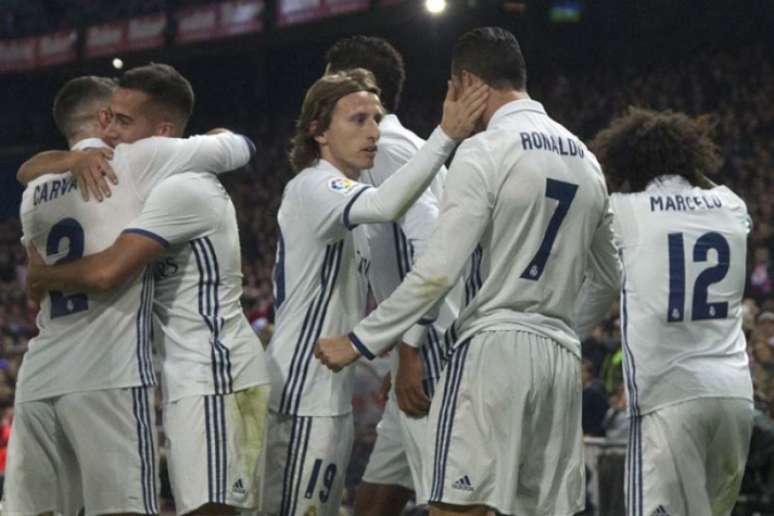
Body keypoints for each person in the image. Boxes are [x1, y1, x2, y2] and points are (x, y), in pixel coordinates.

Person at [315, 27, 619, 516]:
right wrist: (564, 332)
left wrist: (362, 340)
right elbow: (608, 277)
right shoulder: (586, 159)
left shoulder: (483, 151)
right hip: (560, 356)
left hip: (492, 346)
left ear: (467, 82)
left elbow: (438, 267)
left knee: (458, 506)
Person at [23, 64, 270, 516]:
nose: (109, 131)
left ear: (163, 133)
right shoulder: (145, 181)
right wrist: (69, 159)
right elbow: (30, 168)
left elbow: (107, 272)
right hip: (188, 375)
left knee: (210, 511)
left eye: (122, 121)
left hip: (215, 371)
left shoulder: (181, 188)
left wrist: (43, 277)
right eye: (108, 118)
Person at [264, 68, 486, 516]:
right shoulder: (316, 185)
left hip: (326, 391)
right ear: (318, 131)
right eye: (357, 120)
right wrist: (445, 136)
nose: (373, 132)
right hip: (303, 394)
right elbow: (389, 204)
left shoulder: (346, 194)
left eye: (376, 118)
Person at [588, 107, 754, 516]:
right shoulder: (731, 205)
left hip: (669, 399)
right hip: (734, 396)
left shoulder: (626, 210)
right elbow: (711, 190)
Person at [324, 35, 462, 515]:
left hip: (435, 352)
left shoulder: (387, 149)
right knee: (374, 502)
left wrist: (410, 353)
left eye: (330, 83)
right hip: (419, 349)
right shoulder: (381, 151)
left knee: (455, 502)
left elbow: (435, 249)